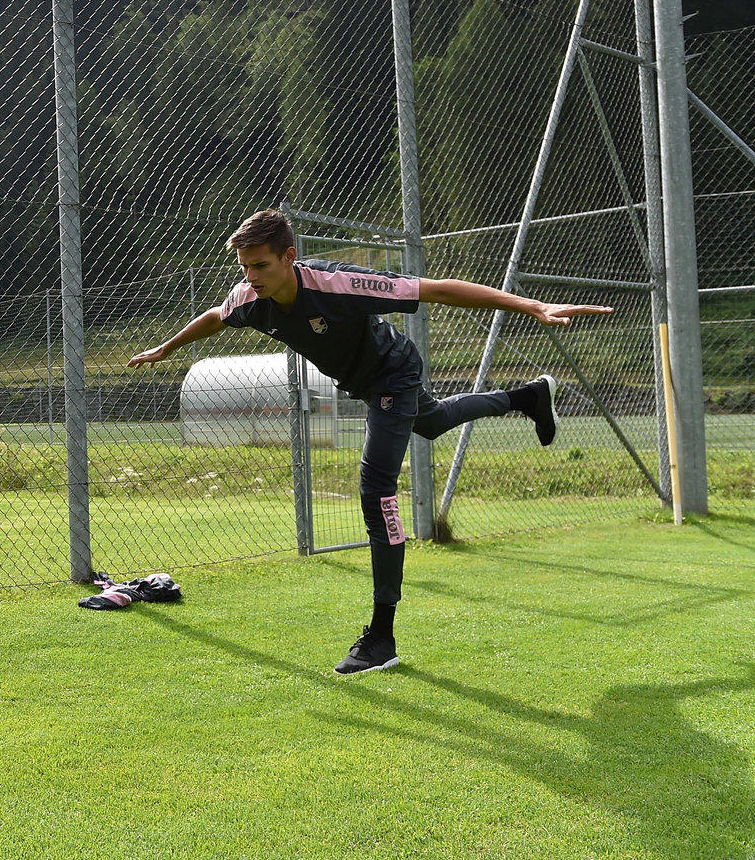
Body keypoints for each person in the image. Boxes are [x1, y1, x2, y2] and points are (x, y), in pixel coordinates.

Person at [128, 209, 613, 675]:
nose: (251, 276)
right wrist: (166, 348)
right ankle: (525, 397)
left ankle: (382, 637)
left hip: (392, 375)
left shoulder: (338, 283)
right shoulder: (247, 299)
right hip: (364, 383)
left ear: (289, 257)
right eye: (244, 266)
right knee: (434, 420)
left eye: (261, 265)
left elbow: (437, 290)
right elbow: (215, 315)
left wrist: (531, 306)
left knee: (375, 491)